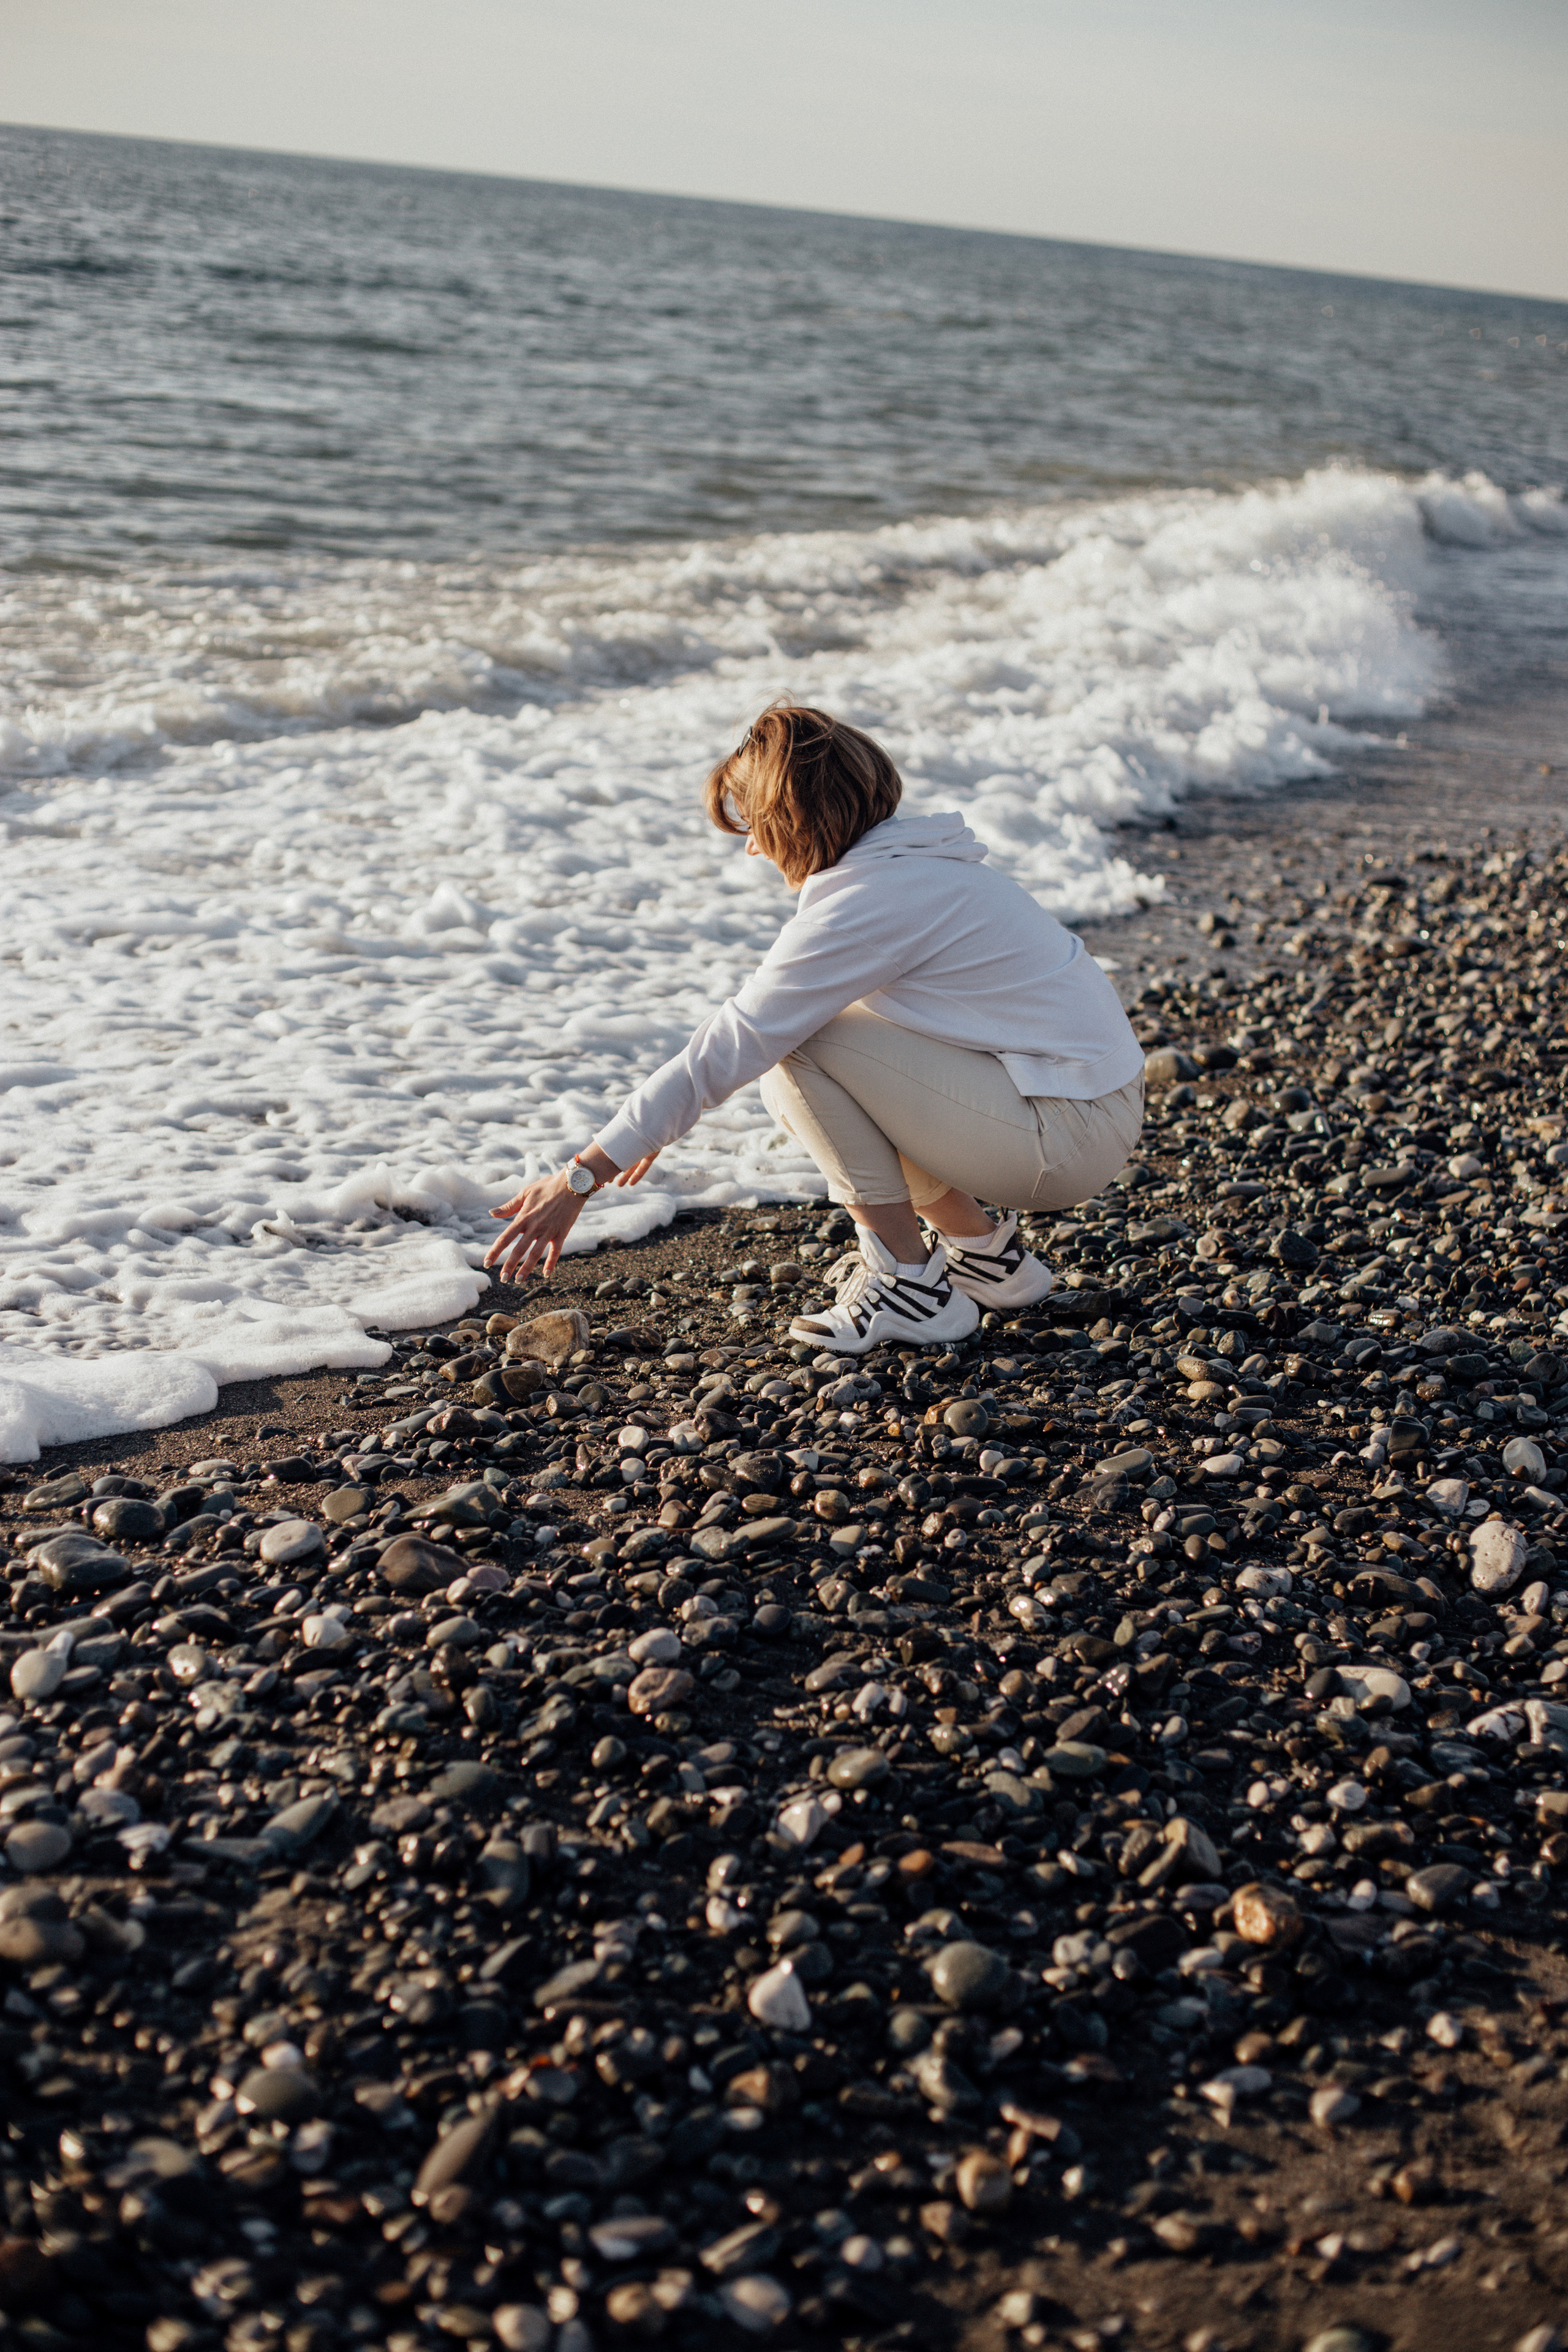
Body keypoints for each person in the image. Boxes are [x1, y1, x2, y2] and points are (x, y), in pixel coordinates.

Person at [486, 704, 1144, 1353]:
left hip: (1060, 1137)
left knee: (798, 1042)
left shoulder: (871, 899)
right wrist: (649, 1126)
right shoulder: (916, 866)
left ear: (791, 817)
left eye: (751, 822)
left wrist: (581, 1176)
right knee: (802, 1041)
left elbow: (739, 1039)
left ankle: (911, 1286)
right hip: (1081, 1108)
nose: (749, 845)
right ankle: (985, 1260)